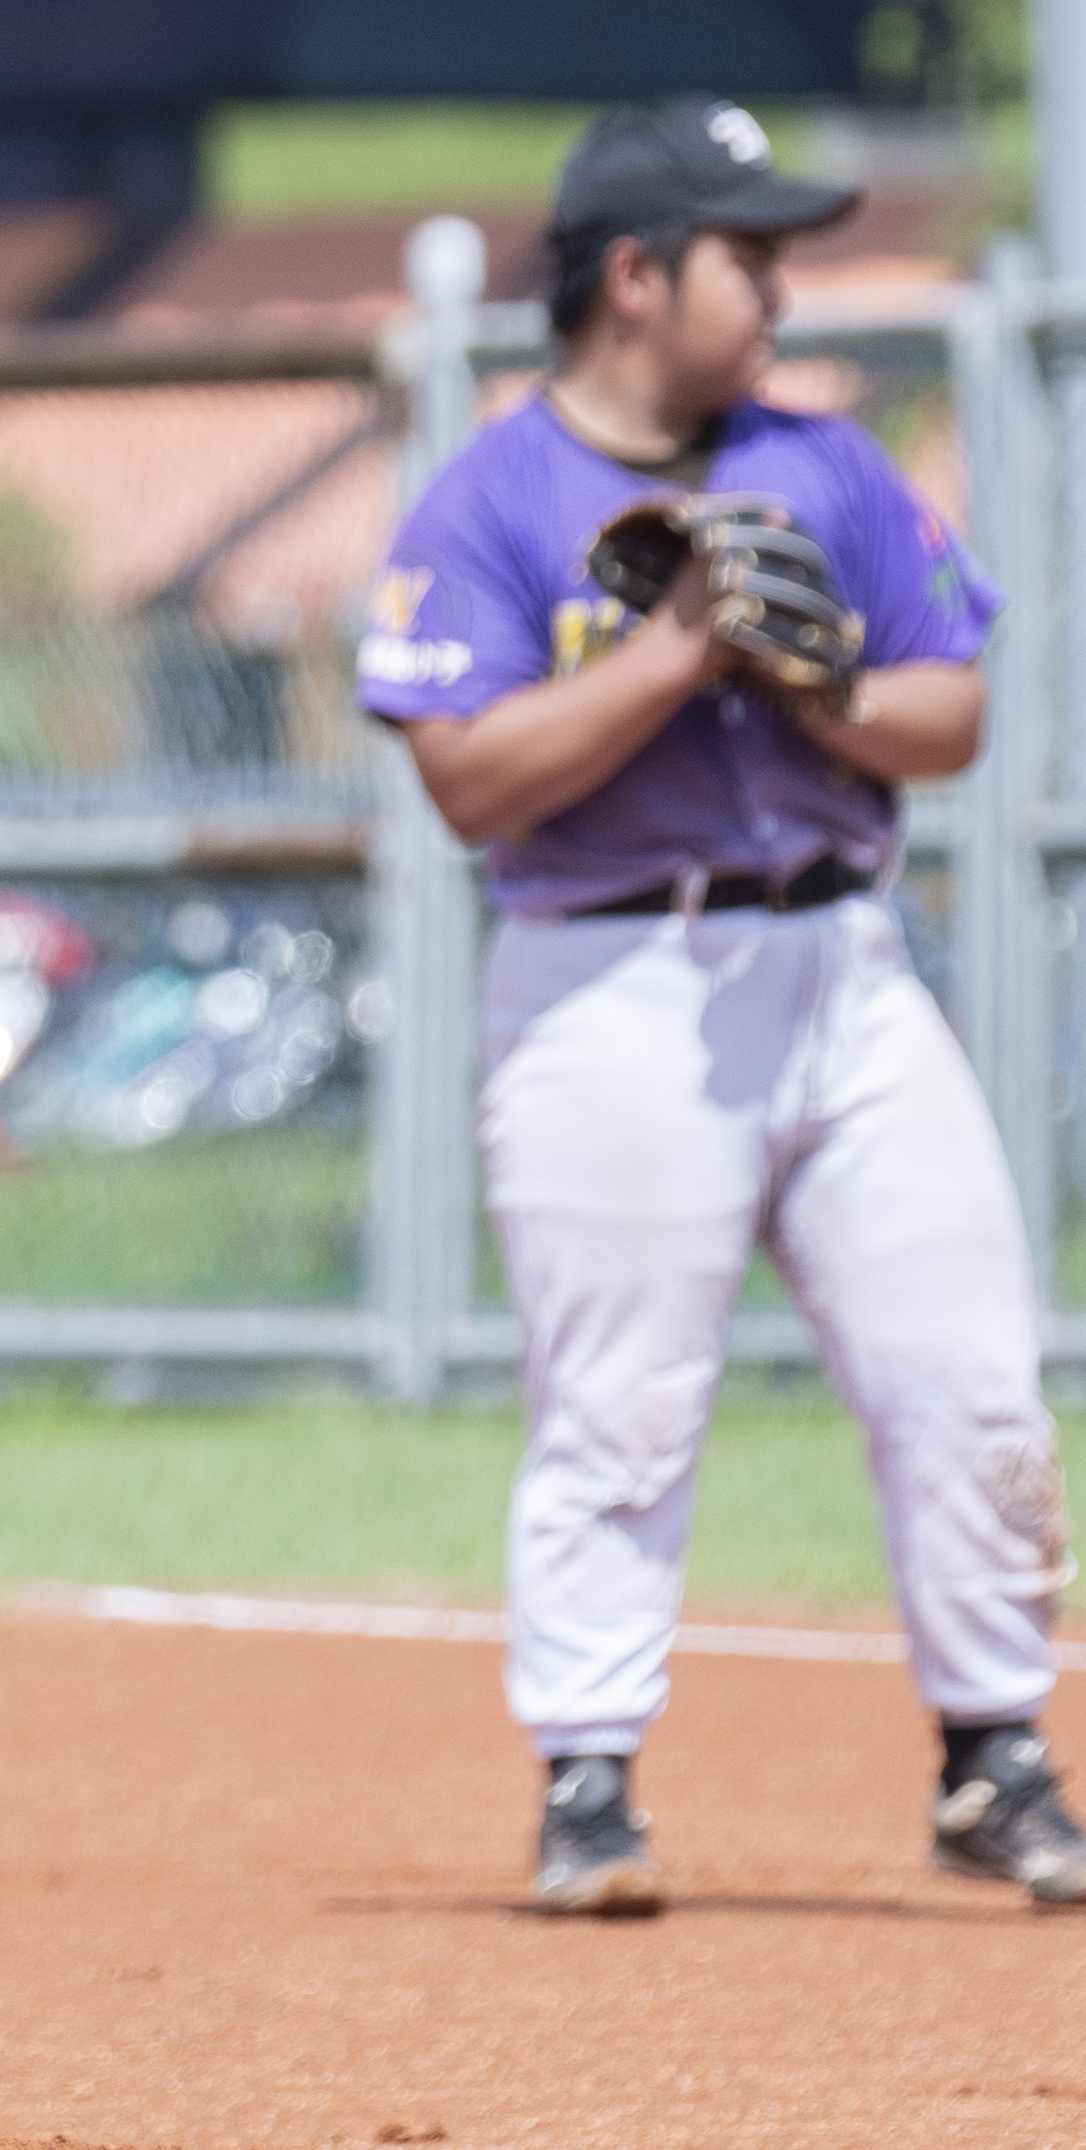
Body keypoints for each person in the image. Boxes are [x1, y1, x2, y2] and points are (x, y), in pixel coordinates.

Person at [359, 96, 1078, 1916]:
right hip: (609, 975)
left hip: (845, 965)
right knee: (621, 1397)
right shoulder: (494, 501)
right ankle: (587, 1782)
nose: (777, 288)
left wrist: (806, 675)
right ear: (633, 274)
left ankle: (995, 1757)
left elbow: (954, 711)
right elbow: (468, 779)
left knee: (972, 1364)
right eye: (746, 256)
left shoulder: (822, 467)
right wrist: (685, 649)